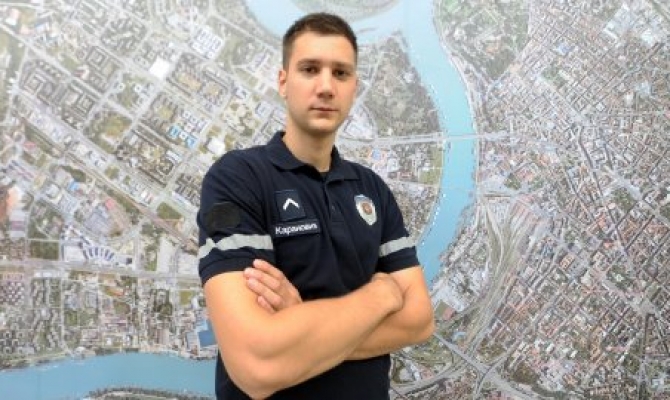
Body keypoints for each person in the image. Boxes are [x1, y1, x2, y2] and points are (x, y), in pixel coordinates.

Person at [197, 12, 434, 400]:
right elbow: (257, 364)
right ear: (283, 81)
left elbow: (419, 321)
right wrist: (380, 296)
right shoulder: (238, 178)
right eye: (310, 69)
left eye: (340, 73)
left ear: (354, 87)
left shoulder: (372, 189)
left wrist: (301, 322)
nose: (326, 86)